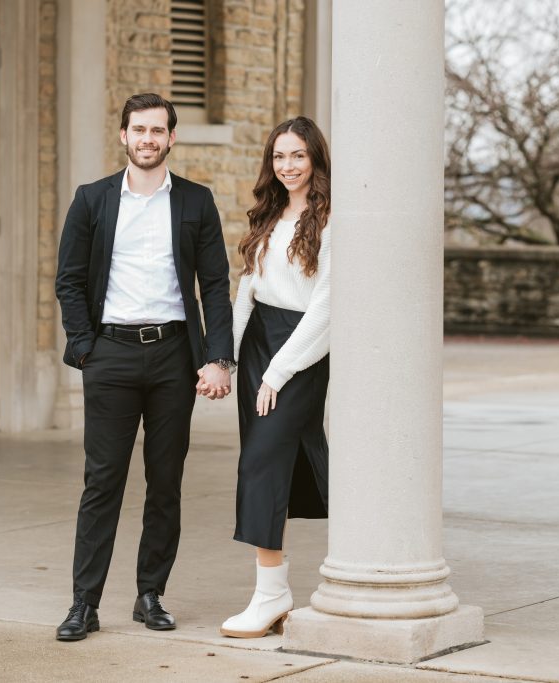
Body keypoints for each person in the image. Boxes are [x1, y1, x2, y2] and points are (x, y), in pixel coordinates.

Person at [54, 93, 235, 641]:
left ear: (171, 138)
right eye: (139, 129)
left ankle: (149, 594)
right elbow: (69, 280)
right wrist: (85, 347)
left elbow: (216, 285)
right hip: (109, 354)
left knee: (166, 482)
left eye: (158, 130)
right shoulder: (92, 200)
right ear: (124, 136)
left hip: (172, 359)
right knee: (102, 482)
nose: (148, 139)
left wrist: (218, 358)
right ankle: (84, 603)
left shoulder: (197, 202)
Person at [216, 117, 331, 638]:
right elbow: (249, 292)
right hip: (258, 342)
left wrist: (279, 371)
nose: (287, 166)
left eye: (298, 156)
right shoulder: (268, 215)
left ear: (315, 160)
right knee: (271, 463)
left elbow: (327, 308)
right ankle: (276, 592)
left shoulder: (331, 221)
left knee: (262, 464)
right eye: (280, 156)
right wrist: (229, 358)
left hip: (299, 349)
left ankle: (271, 596)